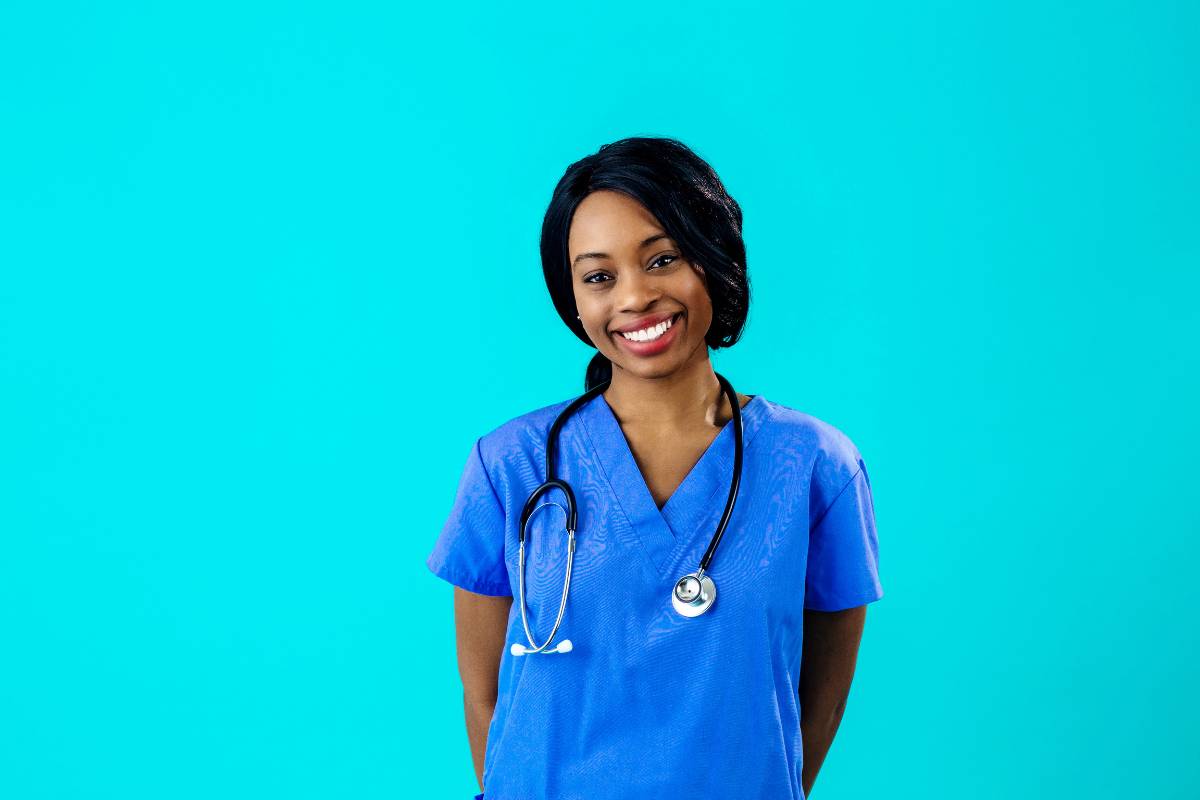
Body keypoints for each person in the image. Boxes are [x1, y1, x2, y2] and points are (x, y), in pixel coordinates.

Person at [426, 136, 884, 800]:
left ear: (714, 260)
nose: (635, 297)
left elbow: (819, 704)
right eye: (599, 276)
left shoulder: (815, 466)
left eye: (663, 258)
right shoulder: (512, 466)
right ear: (574, 301)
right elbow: (483, 695)